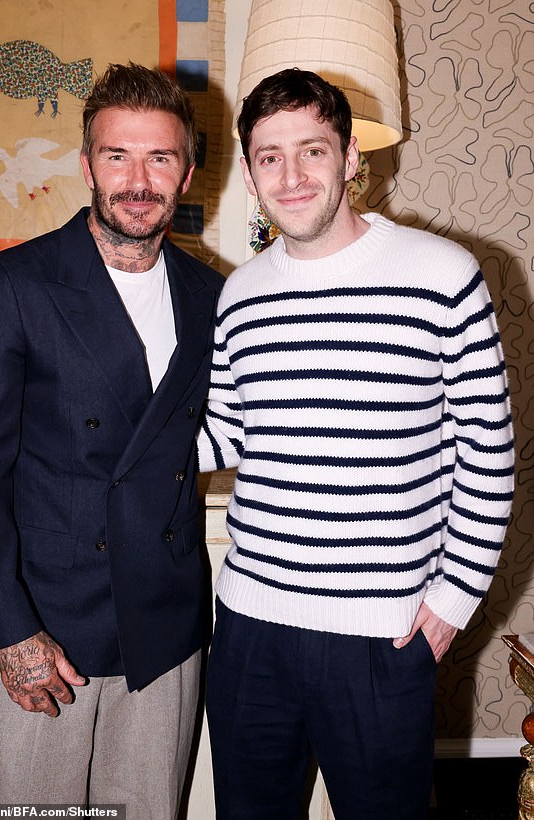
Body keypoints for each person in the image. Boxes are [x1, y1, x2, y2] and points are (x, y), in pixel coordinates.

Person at [197, 68, 514, 820]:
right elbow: (226, 434)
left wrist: (453, 599)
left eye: (313, 150)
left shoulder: (443, 275)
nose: (292, 174)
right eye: (270, 156)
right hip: (250, 630)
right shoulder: (241, 294)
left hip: (381, 637)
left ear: (349, 159)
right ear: (248, 172)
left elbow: (488, 453)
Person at [0, 62, 223, 814]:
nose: (138, 179)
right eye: (118, 156)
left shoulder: (210, 296)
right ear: (86, 164)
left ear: (187, 173)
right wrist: (12, 630)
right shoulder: (11, 284)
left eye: (159, 157)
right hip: (43, 625)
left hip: (165, 627)